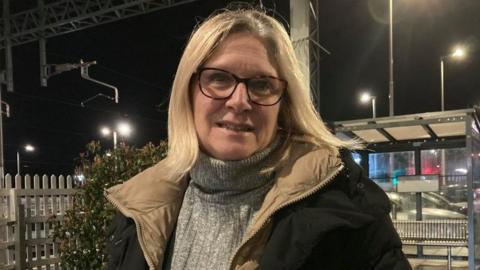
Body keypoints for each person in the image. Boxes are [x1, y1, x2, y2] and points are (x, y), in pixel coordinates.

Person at [105, 6, 412, 270]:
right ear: (189, 91)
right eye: (219, 78)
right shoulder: (138, 210)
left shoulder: (346, 205)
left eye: (262, 84)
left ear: (284, 102)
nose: (239, 101)